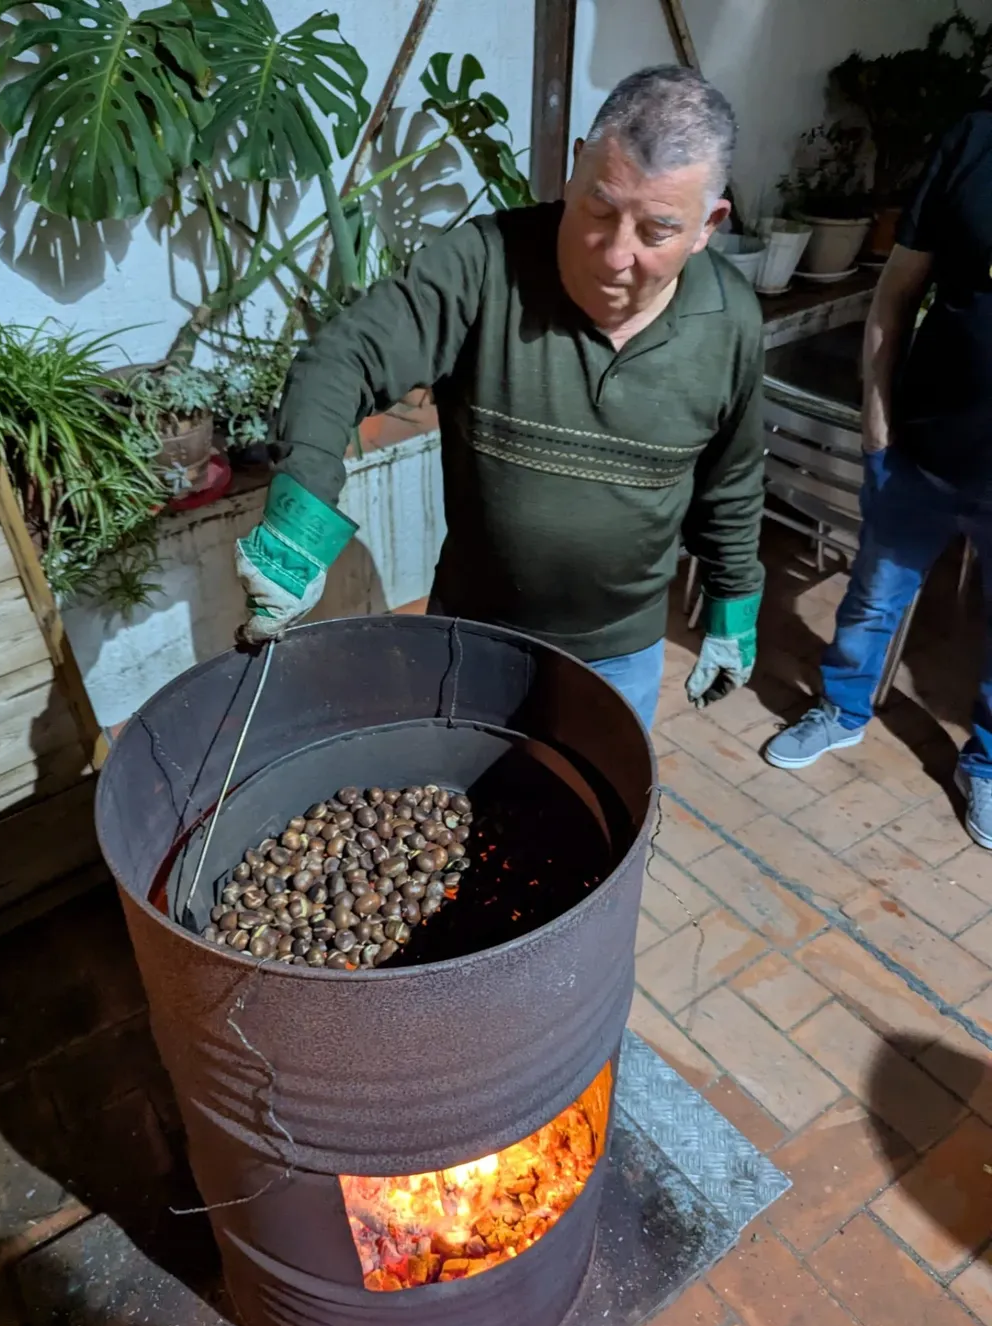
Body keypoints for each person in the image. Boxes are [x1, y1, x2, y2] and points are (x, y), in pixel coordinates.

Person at [236, 65, 767, 731]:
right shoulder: (484, 265)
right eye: (598, 210)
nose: (613, 254)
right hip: (471, 632)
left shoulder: (731, 322)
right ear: (575, 168)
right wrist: (299, 516)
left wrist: (734, 603)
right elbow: (346, 355)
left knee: (588, 812)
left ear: (707, 224)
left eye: (656, 230)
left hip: (620, 652)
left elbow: (733, 478)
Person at [765, 108, 992, 851]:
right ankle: (842, 710)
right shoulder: (973, 136)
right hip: (921, 450)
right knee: (870, 600)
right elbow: (897, 289)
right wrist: (876, 417)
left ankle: (985, 765)